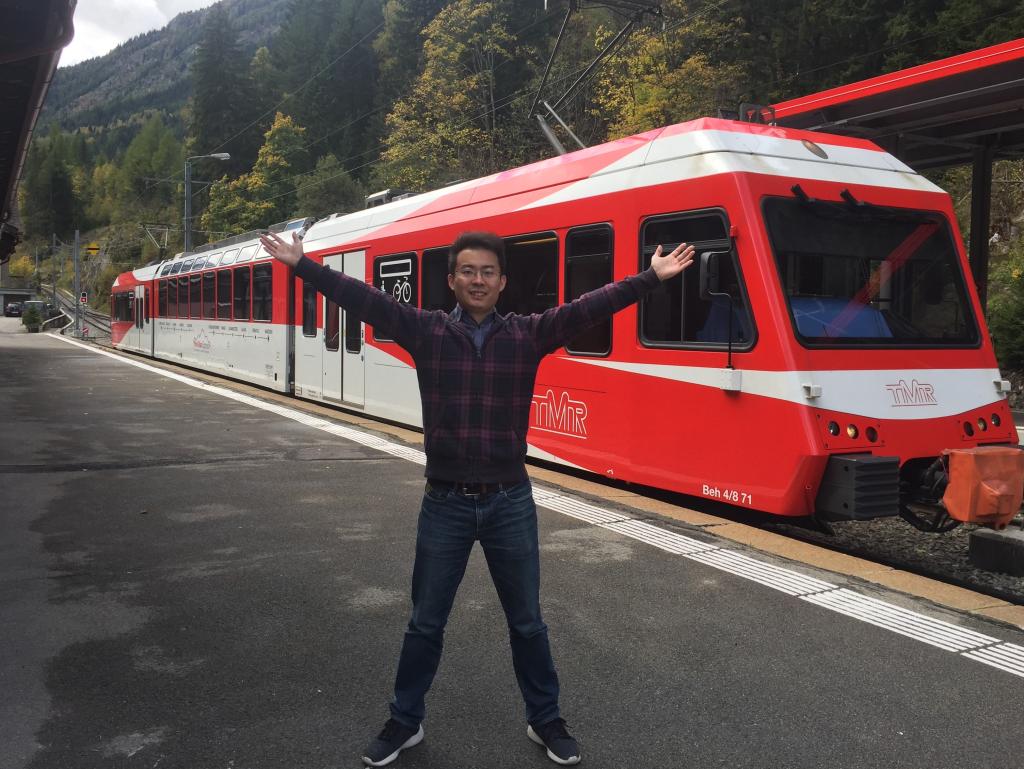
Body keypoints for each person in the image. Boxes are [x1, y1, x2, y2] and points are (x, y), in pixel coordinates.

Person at [259, 229, 694, 766]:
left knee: (527, 621)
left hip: (510, 500)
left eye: (488, 272)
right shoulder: (426, 331)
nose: (478, 280)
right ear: (452, 280)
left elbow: (588, 307)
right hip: (445, 501)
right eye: (468, 271)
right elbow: (365, 300)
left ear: (503, 282)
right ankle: (405, 721)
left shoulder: (528, 334)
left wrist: (650, 278)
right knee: (425, 621)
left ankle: (545, 718)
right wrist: (304, 266)